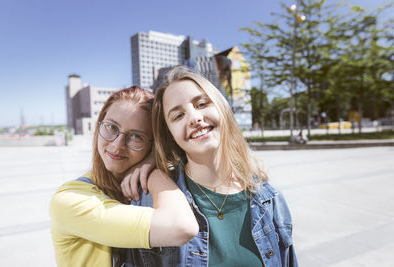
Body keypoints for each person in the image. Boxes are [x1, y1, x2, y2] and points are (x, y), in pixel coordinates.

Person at [122, 66, 298, 267]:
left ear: (222, 108)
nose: (194, 118)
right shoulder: (149, 204)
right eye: (178, 116)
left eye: (202, 103)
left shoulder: (269, 198)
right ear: (169, 134)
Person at [49, 86, 198, 267]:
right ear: (99, 125)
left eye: (136, 136)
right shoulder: (71, 199)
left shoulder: (148, 189)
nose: (118, 144)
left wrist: (153, 160)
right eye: (111, 127)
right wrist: (154, 173)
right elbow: (182, 226)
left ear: (153, 144)